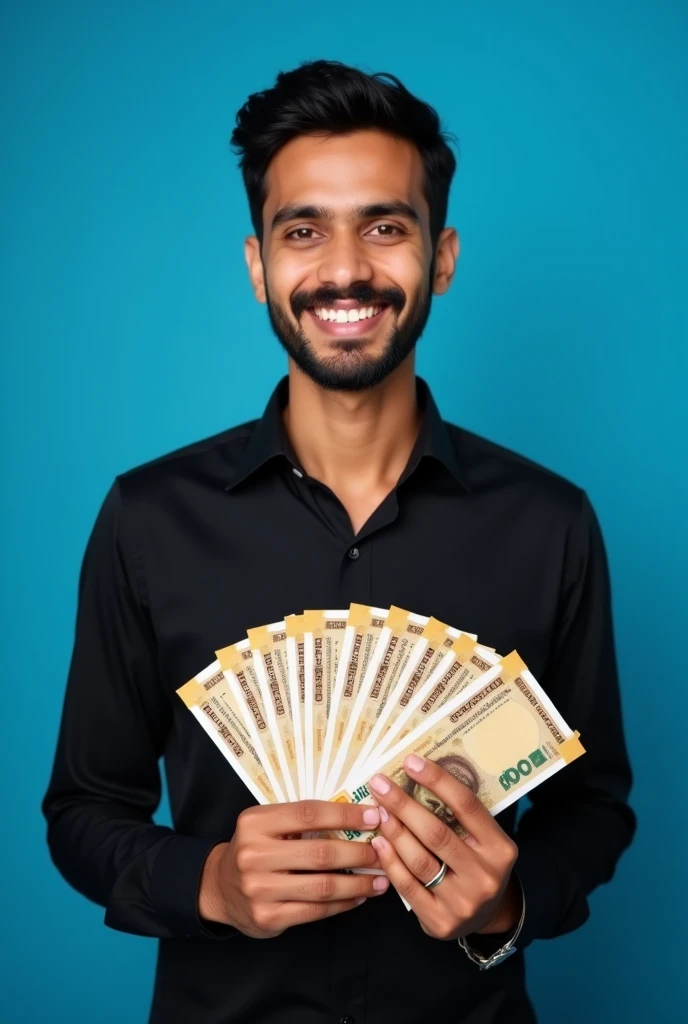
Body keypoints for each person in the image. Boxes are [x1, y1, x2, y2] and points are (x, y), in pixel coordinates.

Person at [41, 59, 636, 1024]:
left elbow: (597, 807)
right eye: (304, 230)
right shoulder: (148, 518)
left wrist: (507, 905)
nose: (346, 269)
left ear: (440, 258)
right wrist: (210, 885)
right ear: (258, 265)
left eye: (385, 227)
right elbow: (81, 813)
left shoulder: (551, 522)